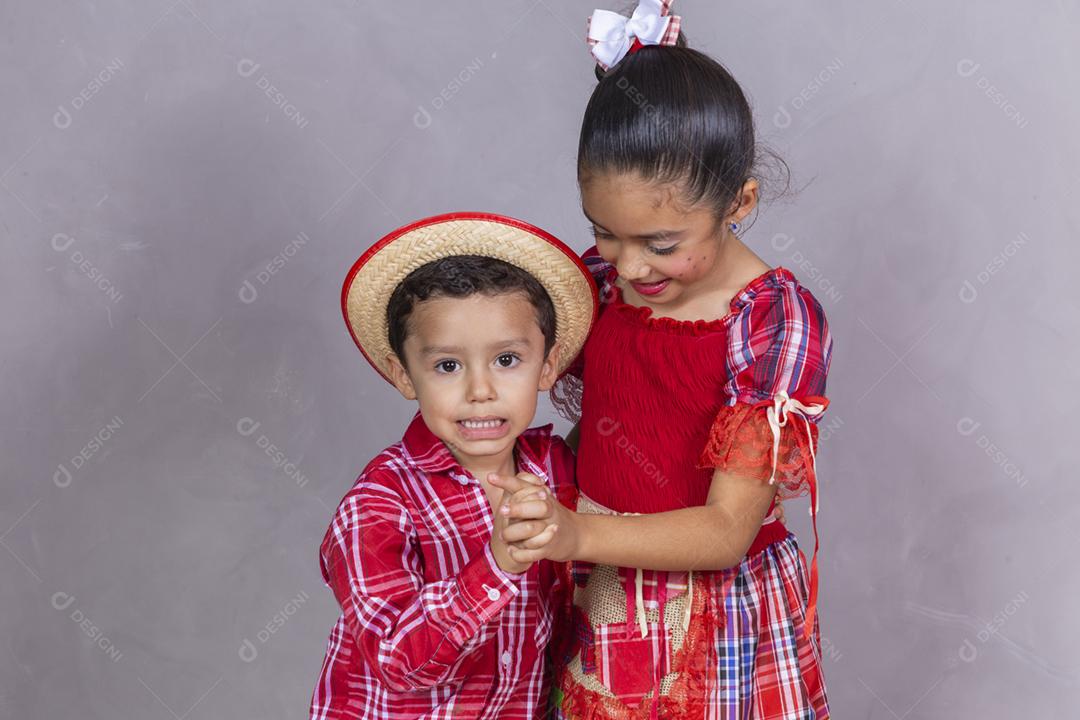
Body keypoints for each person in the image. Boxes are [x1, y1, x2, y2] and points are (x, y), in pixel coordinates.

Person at [489, 3, 835, 717]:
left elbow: (727, 531)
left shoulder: (771, 320)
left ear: (739, 201)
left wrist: (578, 532)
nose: (628, 264)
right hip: (599, 586)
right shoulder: (597, 283)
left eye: (662, 243)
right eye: (605, 233)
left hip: (714, 614)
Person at [309, 212, 599, 719]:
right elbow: (398, 661)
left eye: (506, 360)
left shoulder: (557, 469)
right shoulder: (377, 505)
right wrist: (497, 566)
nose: (480, 390)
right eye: (447, 366)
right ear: (404, 375)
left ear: (547, 365)